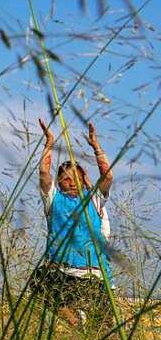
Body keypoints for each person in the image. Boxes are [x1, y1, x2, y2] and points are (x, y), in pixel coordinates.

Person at [31, 119, 114, 326]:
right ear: (59, 182)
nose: (71, 182)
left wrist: (95, 146)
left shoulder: (94, 199)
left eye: (75, 178)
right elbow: (43, 172)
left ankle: (90, 329)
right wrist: (49, 142)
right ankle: (76, 322)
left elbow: (108, 176)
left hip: (94, 274)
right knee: (37, 281)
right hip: (62, 271)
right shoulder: (53, 199)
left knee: (103, 330)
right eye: (66, 178)